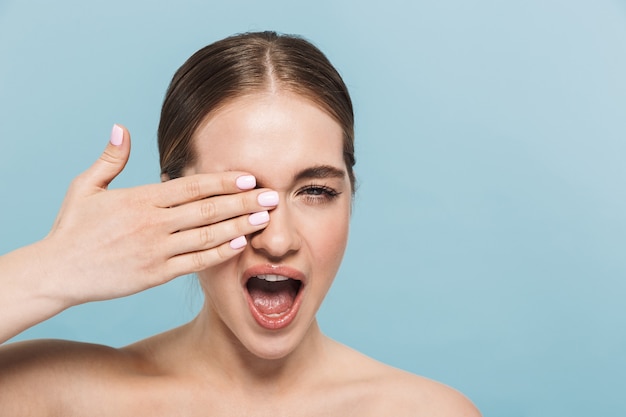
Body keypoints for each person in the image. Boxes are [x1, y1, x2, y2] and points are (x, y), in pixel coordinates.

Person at [0, 31, 481, 416]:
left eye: (316, 191)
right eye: (241, 195)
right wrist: (50, 269)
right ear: (172, 200)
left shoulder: (428, 411)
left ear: (349, 196)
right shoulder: (57, 399)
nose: (278, 240)